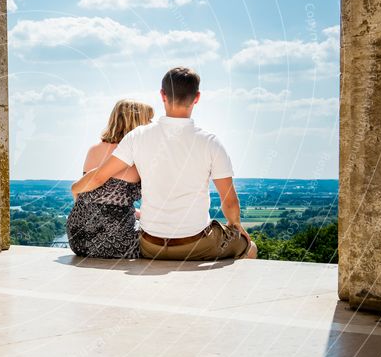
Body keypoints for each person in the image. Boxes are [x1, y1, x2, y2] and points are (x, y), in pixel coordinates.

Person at [71, 67, 258, 261]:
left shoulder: (137, 136)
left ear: (163, 95)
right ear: (197, 97)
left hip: (150, 245)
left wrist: (75, 187)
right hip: (196, 244)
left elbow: (99, 176)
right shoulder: (211, 142)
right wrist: (236, 226)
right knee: (249, 247)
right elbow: (229, 201)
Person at [66, 99, 154, 258]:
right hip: (116, 241)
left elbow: (93, 199)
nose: (152, 124)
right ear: (137, 122)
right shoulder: (135, 157)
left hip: (78, 239)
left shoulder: (94, 149)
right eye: (149, 120)